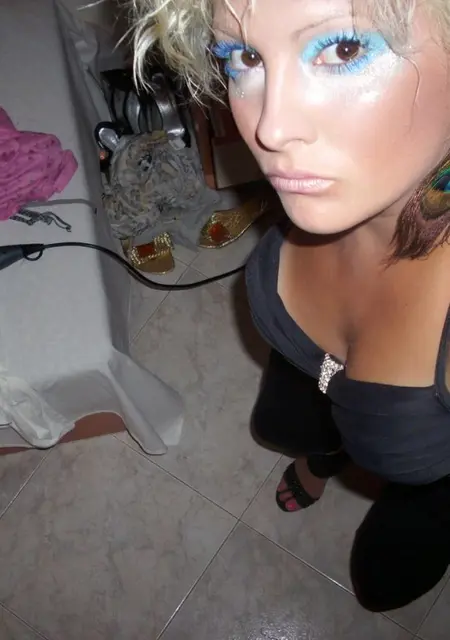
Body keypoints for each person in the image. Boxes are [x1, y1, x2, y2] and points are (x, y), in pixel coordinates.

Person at [131, 0, 450, 612]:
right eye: (245, 57)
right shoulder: (341, 178)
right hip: (307, 376)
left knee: (389, 569)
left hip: (427, 486)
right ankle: (321, 457)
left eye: (343, 49)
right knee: (285, 423)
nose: (269, 129)